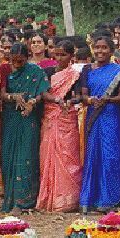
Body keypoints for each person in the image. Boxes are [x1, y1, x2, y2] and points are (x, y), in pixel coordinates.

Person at [80, 36, 120, 212]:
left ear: (111, 50)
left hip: (111, 116)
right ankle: (90, 199)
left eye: (104, 48)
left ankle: (111, 199)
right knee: (93, 155)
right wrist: (91, 99)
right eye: (97, 47)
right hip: (94, 115)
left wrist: (107, 99)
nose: (100, 51)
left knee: (111, 156)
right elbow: (84, 95)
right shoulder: (86, 69)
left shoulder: (119, 70)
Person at [1, 43, 48, 212]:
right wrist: (14, 96)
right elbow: (1, 93)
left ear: (27, 58)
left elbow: (42, 93)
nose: (17, 64)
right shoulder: (6, 71)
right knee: (8, 157)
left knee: (26, 157)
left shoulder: (36, 72)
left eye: (20, 61)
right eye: (14, 61)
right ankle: (10, 199)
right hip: (10, 118)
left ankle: (25, 201)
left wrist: (31, 102)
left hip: (29, 119)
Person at [38, 40, 82, 212]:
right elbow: (43, 93)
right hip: (50, 117)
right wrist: (57, 100)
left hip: (67, 117)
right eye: (56, 54)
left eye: (63, 54)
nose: (59, 58)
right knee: (47, 155)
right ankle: (50, 197)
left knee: (67, 156)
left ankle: (67, 199)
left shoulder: (75, 74)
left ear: (71, 56)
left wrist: (70, 101)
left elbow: (79, 95)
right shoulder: (47, 72)